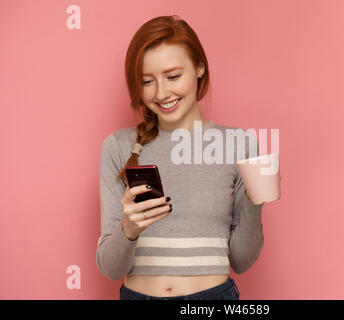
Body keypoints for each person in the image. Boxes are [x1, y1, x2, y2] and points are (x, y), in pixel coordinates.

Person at [96, 15, 264, 300]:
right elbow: (111, 269)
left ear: (199, 67)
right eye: (147, 81)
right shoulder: (118, 147)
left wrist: (255, 197)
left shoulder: (239, 144)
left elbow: (242, 260)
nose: (162, 93)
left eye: (173, 76)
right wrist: (129, 228)